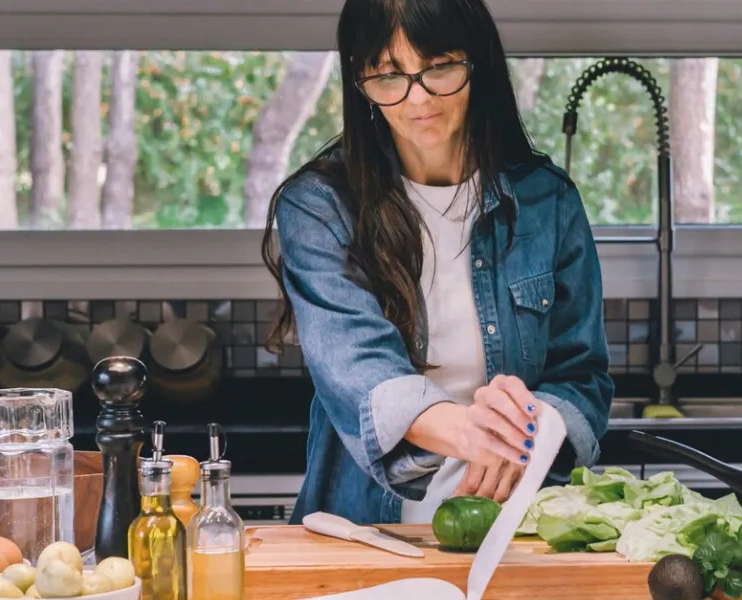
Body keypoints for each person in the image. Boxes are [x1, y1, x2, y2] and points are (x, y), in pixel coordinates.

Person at [261, 0, 613, 525]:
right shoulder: (319, 209)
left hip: (515, 531)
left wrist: (531, 424)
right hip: (368, 531)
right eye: (387, 75)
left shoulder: (549, 202)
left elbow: (582, 378)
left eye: (439, 67)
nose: (417, 98)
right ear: (360, 81)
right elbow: (360, 371)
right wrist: (477, 432)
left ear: (477, 63)